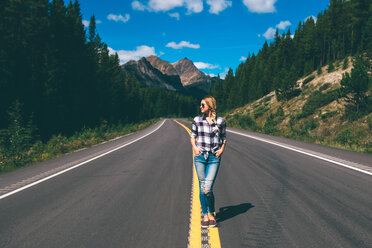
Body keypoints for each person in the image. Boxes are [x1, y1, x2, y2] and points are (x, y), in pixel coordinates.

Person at [190, 96, 227, 228]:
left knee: (208, 188)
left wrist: (222, 150)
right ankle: (205, 215)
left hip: (214, 158)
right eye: (200, 105)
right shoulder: (197, 120)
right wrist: (195, 148)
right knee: (202, 187)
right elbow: (192, 136)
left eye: (203, 105)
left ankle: (211, 213)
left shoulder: (221, 121)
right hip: (200, 157)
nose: (200, 107)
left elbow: (224, 137)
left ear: (210, 106)